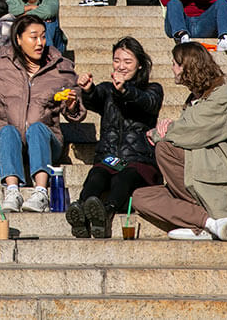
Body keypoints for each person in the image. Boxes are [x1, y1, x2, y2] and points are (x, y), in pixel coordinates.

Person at [0, 14, 83, 212]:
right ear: (19, 39)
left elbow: (76, 113)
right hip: (8, 140)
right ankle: (12, 191)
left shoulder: (60, 68)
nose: (40, 43)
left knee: (38, 128)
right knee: (8, 131)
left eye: (43, 37)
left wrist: (72, 105)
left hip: (47, 141)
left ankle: (40, 193)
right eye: (33, 37)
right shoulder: (1, 66)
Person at [132, 42, 227, 240]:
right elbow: (186, 129)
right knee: (140, 198)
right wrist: (170, 127)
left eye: (175, 64)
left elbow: (192, 132)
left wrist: (159, 133)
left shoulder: (221, 97)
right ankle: (211, 224)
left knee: (164, 148)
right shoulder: (194, 99)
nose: (172, 68)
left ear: (188, 67)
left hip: (222, 179)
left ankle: (211, 220)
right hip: (200, 175)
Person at [66, 37, 163, 238]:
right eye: (117, 60)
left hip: (139, 160)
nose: (121, 66)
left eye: (127, 62)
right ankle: (81, 211)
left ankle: (106, 212)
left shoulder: (152, 89)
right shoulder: (107, 89)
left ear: (140, 65)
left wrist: (125, 90)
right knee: (96, 175)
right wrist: (87, 89)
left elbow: (148, 103)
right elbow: (95, 99)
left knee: (123, 177)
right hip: (110, 157)